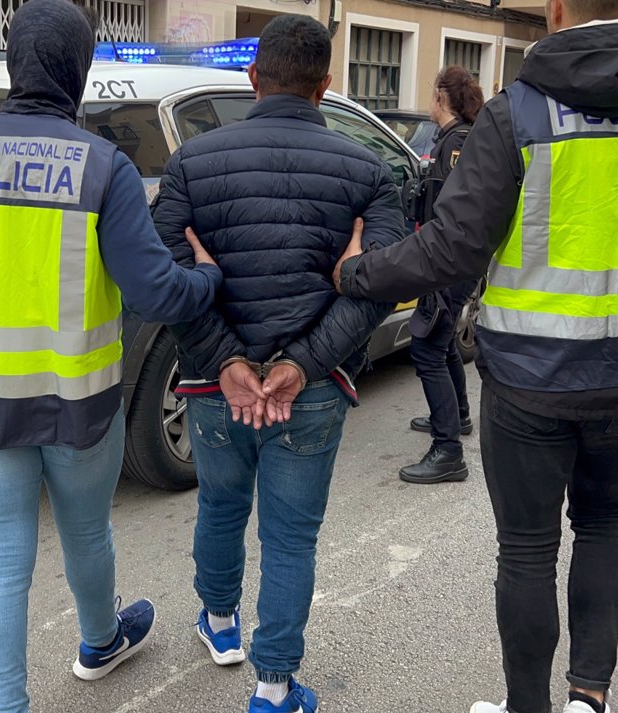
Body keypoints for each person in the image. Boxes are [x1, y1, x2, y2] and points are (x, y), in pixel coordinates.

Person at [334, 0, 618, 710]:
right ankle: (587, 698)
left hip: (528, 380)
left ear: (557, 7)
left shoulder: (520, 113)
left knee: (528, 550)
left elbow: (451, 249)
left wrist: (354, 273)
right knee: (604, 523)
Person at [0, 1, 222, 711]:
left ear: (12, 63)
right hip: (80, 403)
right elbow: (159, 292)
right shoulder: (102, 167)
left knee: (0, 561)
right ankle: (99, 639)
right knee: (87, 531)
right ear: (79, 71)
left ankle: (5, 705)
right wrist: (209, 276)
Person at [152, 14, 405, 713]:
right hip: (312, 389)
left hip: (213, 385)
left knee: (220, 504)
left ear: (253, 77)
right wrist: (303, 362)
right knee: (291, 534)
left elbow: (165, 274)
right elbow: (378, 283)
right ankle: (272, 686)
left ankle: (221, 624)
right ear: (326, 86)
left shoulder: (192, 163)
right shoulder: (368, 171)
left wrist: (226, 360)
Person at [400, 66, 485, 485]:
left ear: (440, 97)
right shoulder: (460, 138)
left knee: (427, 346)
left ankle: (448, 450)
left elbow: (452, 215)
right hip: (454, 261)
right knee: (443, 335)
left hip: (447, 262)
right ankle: (460, 416)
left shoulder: (457, 143)